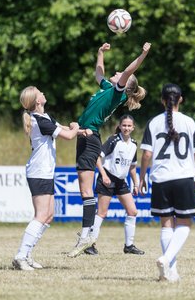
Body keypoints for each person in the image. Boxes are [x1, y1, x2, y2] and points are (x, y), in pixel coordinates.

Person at [67, 41, 151, 257]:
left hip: (90, 136)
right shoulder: (108, 88)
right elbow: (98, 74)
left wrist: (143, 54)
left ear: (125, 83)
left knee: (87, 191)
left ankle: (87, 238)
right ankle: (87, 237)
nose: (118, 72)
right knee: (85, 190)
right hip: (84, 135)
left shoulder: (119, 92)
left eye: (121, 73)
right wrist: (99, 53)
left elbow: (131, 69)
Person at [12, 86, 89, 271]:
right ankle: (21, 256)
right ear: (37, 101)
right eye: (40, 92)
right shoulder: (39, 120)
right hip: (38, 172)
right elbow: (68, 136)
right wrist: (76, 128)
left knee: (49, 216)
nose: (44, 93)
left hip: (44, 172)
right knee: (41, 215)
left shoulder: (45, 118)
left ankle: (27, 254)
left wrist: (81, 131)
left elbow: (62, 128)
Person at [139, 83, 195, 282]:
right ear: (181, 99)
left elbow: (146, 154)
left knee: (166, 226)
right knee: (184, 224)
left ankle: (171, 270)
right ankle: (167, 259)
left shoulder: (153, 122)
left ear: (162, 100)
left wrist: (142, 177)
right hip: (183, 178)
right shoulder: (189, 122)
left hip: (160, 180)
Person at [84, 114, 145, 256]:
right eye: (124, 125)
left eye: (129, 126)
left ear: (133, 127)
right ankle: (89, 244)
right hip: (108, 177)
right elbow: (98, 158)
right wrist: (104, 175)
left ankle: (129, 246)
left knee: (133, 211)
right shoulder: (113, 140)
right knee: (102, 213)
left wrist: (136, 184)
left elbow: (132, 167)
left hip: (121, 181)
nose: (126, 128)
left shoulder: (134, 144)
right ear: (120, 126)